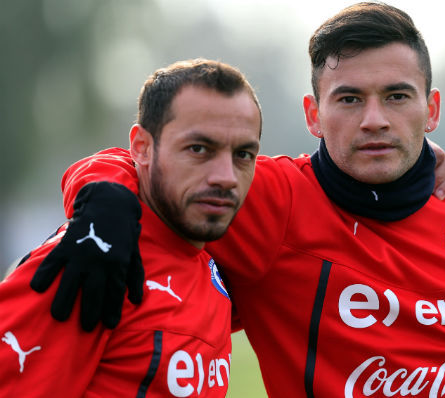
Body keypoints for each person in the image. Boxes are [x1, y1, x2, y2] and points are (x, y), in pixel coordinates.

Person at [30, 2, 445, 397]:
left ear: (431, 109)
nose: (374, 119)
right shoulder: (272, 201)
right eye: (349, 99)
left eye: (397, 96)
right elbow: (154, 162)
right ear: (313, 115)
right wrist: (103, 200)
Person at [0, 59, 263, 396]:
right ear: (142, 147)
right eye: (198, 149)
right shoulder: (90, 261)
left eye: (243, 154)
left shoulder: (214, 259)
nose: (226, 176)